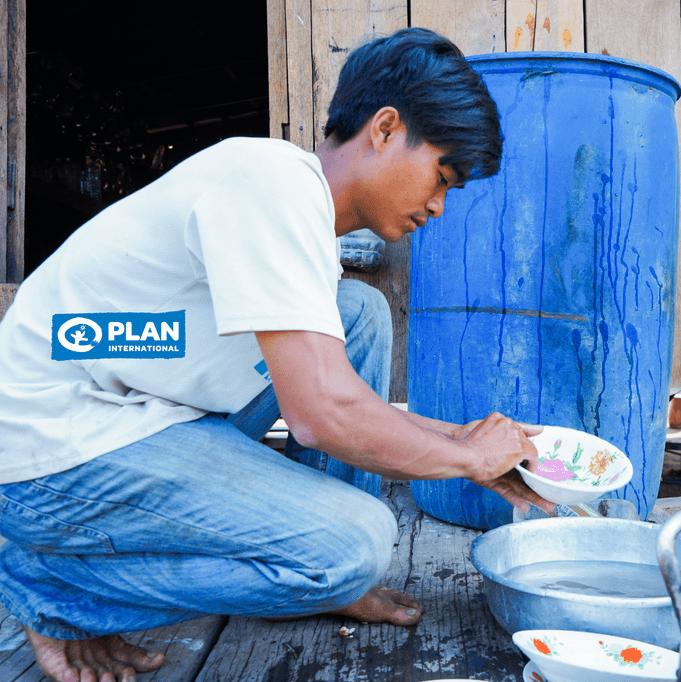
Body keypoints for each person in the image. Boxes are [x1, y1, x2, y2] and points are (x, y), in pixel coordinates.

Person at [0, 27, 554, 682]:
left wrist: (462, 441)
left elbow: (339, 392)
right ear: (383, 129)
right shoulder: (271, 181)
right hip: (50, 454)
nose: (437, 205)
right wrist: (464, 458)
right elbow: (320, 412)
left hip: (136, 404)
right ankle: (50, 585)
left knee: (358, 315)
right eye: (442, 175)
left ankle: (329, 576)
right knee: (358, 543)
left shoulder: (300, 221)